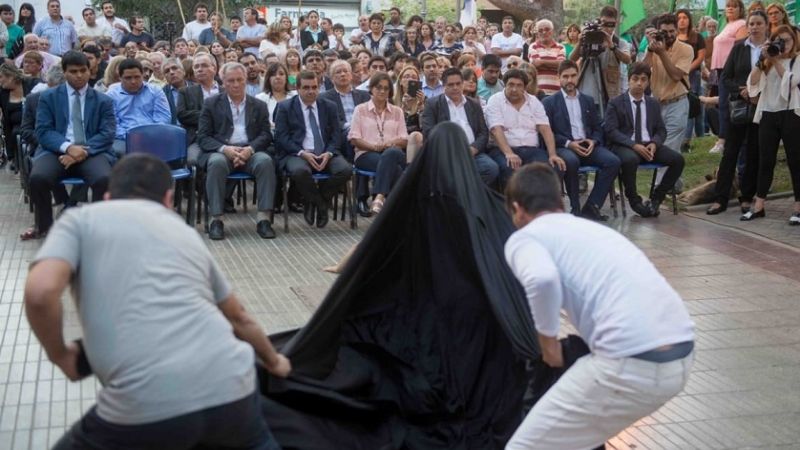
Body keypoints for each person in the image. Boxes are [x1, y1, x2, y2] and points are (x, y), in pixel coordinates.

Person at [26, 154, 290, 449]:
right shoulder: (186, 233)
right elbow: (239, 317)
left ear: (110, 197)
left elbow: (40, 293)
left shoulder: (80, 220)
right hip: (233, 391)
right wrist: (275, 361)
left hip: (144, 408)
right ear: (168, 199)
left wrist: (59, 355)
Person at [503, 162, 694, 450]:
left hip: (629, 363)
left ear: (517, 209)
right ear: (560, 201)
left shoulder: (526, 237)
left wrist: (548, 344)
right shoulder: (591, 231)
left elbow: (541, 279)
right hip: (680, 355)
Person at [25, 51, 115, 240]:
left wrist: (81, 151)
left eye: (83, 70)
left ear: (90, 72)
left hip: (91, 151)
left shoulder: (103, 100)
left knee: (104, 179)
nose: (79, 75)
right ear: (64, 72)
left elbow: (107, 134)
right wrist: (68, 147)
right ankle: (44, 227)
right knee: (38, 178)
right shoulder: (48, 97)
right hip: (56, 150)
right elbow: (43, 131)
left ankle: (98, 229)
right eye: (73, 71)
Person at [198, 62, 277, 240]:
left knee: (265, 162)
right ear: (223, 82)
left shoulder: (258, 105)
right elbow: (203, 136)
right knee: (216, 163)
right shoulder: (211, 104)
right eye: (230, 80)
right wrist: (225, 149)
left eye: (239, 80)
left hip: (251, 151)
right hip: (222, 151)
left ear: (246, 81)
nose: (235, 84)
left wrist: (250, 149)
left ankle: (264, 219)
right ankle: (216, 220)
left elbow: (266, 134)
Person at [603, 63, 685, 217]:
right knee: (630, 159)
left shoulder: (653, 103)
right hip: (625, 145)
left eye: (643, 79)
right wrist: (634, 145)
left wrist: (654, 143)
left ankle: (656, 198)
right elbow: (611, 131)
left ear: (648, 82)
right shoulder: (616, 103)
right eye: (635, 79)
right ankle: (634, 201)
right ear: (629, 80)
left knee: (678, 160)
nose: (639, 83)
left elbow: (661, 129)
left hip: (649, 145)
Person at [543, 60, 621, 220]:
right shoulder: (549, 102)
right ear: (559, 78)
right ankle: (575, 208)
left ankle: (592, 206)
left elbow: (598, 127)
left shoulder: (587, 100)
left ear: (578, 76)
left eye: (573, 75)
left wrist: (594, 141)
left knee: (613, 161)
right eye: (565, 76)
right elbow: (547, 132)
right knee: (571, 161)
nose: (570, 80)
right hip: (565, 146)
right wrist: (569, 144)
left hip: (588, 145)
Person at [707, 11, 766, 216]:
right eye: (752, 23)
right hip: (739, 107)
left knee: (753, 152)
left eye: (759, 23)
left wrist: (757, 92)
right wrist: (741, 90)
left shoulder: (771, 49)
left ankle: (747, 197)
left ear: (766, 26)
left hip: (762, 107)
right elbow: (726, 78)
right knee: (730, 152)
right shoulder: (739, 47)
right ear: (747, 26)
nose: (755, 27)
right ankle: (720, 198)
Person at [274, 71, 352, 228]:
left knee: (345, 170)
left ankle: (314, 200)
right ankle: (320, 205)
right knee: (300, 172)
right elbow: (281, 138)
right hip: (297, 153)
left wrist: (329, 153)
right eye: (306, 87)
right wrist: (302, 153)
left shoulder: (329, 106)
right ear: (297, 88)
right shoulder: (285, 107)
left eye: (315, 87)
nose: (311, 91)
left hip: (326, 152)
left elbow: (336, 135)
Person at [742, 24, 800, 224]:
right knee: (765, 160)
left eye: (787, 40)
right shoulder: (766, 59)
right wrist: (762, 59)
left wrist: (776, 61)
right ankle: (758, 205)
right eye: (779, 40)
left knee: (796, 161)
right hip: (768, 112)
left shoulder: (796, 60)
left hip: (791, 112)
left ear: (794, 41)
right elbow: (753, 83)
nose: (782, 44)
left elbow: (792, 82)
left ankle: (798, 206)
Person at [485, 68, 567, 189]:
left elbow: (545, 128)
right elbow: (496, 130)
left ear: (525, 87)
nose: (514, 89)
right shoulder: (495, 100)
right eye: (511, 85)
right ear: (504, 84)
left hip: (531, 150)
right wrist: (509, 153)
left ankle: (539, 206)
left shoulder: (533, 101)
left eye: (519, 86)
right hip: (503, 150)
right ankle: (511, 207)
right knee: (510, 168)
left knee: (550, 167)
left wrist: (552, 154)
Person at [421, 67, 498, 186]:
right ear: (444, 86)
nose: (455, 87)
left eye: (458, 84)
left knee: (490, 169)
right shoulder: (433, 104)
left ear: (462, 84)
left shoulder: (474, 104)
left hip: (472, 152)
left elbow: (483, 133)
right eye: (451, 84)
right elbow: (429, 132)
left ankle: (468, 195)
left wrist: (473, 149)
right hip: (446, 154)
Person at [349, 72, 409, 214]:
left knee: (392, 153)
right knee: (396, 170)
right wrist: (374, 147)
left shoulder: (397, 111)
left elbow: (404, 139)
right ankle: (393, 206)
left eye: (386, 88)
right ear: (371, 89)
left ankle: (379, 196)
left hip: (393, 152)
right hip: (366, 154)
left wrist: (387, 144)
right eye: (378, 87)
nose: (382, 91)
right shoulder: (360, 109)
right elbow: (354, 138)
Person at [643, 13, 692, 169]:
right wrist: (650, 50)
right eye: (664, 32)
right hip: (657, 104)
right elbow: (641, 71)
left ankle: (659, 188)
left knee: (669, 147)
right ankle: (674, 184)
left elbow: (676, 75)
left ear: (677, 30)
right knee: (666, 147)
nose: (669, 35)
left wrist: (662, 53)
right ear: (658, 31)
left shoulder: (686, 49)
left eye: (672, 31)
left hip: (677, 103)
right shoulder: (653, 47)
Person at [569, 6, 632, 111]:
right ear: (599, 21)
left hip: (608, 97)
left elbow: (627, 59)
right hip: (585, 94)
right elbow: (571, 59)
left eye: (611, 24)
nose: (607, 28)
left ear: (616, 24)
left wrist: (612, 46)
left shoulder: (619, 42)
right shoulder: (588, 40)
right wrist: (580, 42)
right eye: (604, 23)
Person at [105, 58, 171, 158]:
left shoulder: (155, 91)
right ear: (120, 77)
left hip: (153, 136)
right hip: (124, 139)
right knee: (119, 151)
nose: (133, 81)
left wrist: (149, 135)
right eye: (128, 78)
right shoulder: (111, 96)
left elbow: (163, 118)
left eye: (137, 77)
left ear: (142, 75)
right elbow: (113, 125)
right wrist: (133, 137)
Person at [708, 0, 748, 153]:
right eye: (728, 6)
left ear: (740, 9)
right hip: (720, 69)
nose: (730, 9)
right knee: (723, 104)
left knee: (728, 104)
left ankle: (725, 139)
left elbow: (740, 48)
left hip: (731, 69)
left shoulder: (741, 24)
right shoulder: (725, 25)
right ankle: (724, 138)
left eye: (734, 6)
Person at [319, 59, 370, 162]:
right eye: (338, 72)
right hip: (341, 135)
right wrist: (350, 127)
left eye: (346, 71)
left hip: (365, 132)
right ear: (332, 78)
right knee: (350, 133)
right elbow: (328, 122)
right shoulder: (324, 98)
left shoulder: (364, 95)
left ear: (351, 75)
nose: (343, 74)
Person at [177, 53, 219, 165]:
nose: (200, 69)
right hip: (197, 139)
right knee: (192, 160)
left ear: (214, 68)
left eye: (204, 65)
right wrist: (212, 115)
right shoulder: (185, 92)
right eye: (196, 67)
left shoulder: (226, 91)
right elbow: (182, 115)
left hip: (224, 138)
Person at [526, 19, 566, 96]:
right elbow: (536, 64)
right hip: (538, 91)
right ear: (537, 34)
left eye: (547, 29)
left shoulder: (561, 47)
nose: (544, 32)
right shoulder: (533, 46)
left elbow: (562, 65)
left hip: (557, 91)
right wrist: (554, 64)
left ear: (552, 31)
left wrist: (542, 62)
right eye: (540, 30)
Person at [162, 57, 190, 125]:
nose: (171, 72)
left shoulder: (196, 88)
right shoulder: (162, 93)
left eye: (174, 68)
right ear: (165, 77)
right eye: (167, 71)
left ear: (183, 71)